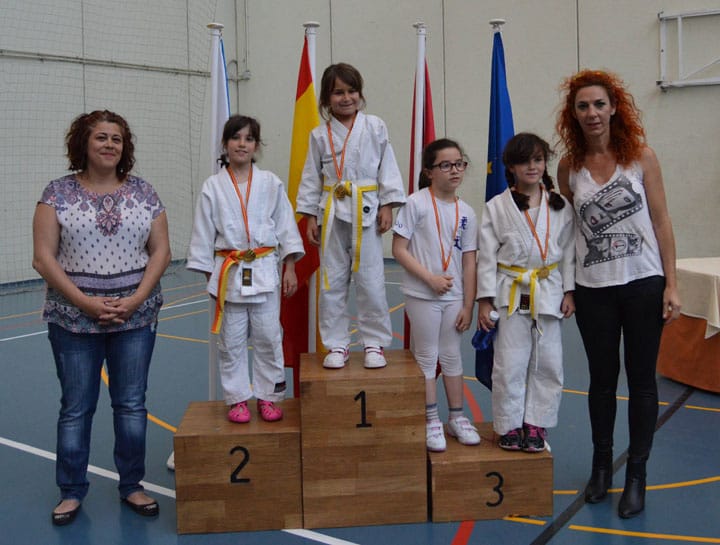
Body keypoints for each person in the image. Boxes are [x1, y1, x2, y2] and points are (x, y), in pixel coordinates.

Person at [32, 110, 171, 525]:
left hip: (135, 320)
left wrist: (137, 299)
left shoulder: (145, 193)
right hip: (73, 322)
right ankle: (71, 491)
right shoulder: (56, 194)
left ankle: (132, 484)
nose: (110, 145)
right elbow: (43, 258)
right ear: (83, 143)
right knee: (76, 408)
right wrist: (85, 303)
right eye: (101, 137)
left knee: (131, 405)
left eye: (117, 139)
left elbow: (161, 251)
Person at [556, 69, 681, 518]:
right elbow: (567, 232)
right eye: (583, 106)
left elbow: (661, 221)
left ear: (614, 109)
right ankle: (601, 468)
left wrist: (671, 283)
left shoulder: (641, 157)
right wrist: (567, 287)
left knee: (642, 382)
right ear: (573, 114)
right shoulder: (569, 167)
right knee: (602, 382)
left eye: (599, 104)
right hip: (594, 290)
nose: (592, 113)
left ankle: (636, 475)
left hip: (643, 283)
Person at [187, 115, 304, 424]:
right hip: (230, 272)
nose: (242, 144)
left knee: (269, 337)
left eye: (249, 138)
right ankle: (237, 398)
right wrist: (211, 276)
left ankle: (268, 396)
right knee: (232, 341)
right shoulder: (212, 186)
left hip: (265, 270)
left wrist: (290, 267)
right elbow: (203, 234)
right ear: (225, 144)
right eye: (236, 138)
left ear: (256, 146)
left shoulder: (270, 183)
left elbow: (286, 226)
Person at [296, 62, 406, 369]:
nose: (346, 98)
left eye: (352, 91)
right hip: (331, 213)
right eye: (338, 92)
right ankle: (337, 344)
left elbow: (387, 165)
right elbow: (311, 176)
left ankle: (374, 342)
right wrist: (309, 215)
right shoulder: (319, 135)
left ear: (360, 93)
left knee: (371, 280)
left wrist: (387, 204)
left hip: (366, 210)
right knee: (331, 281)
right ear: (326, 99)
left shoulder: (375, 126)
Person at [476, 133, 576, 454]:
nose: (532, 167)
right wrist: (484, 301)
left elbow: (569, 252)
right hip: (510, 290)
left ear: (545, 163)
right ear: (510, 167)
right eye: (524, 161)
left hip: (548, 289)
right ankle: (508, 424)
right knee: (510, 361)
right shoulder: (497, 207)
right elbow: (486, 257)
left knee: (549, 362)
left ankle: (536, 423)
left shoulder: (560, 206)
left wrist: (570, 291)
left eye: (538, 160)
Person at [392, 138, 480, 451]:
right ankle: (430, 419)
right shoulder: (415, 204)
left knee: (452, 355)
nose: (454, 170)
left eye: (459, 164)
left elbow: (469, 262)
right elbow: (399, 249)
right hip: (422, 295)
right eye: (445, 165)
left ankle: (456, 417)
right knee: (427, 356)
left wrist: (468, 305)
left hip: (454, 297)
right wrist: (429, 279)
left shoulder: (467, 212)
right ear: (430, 171)